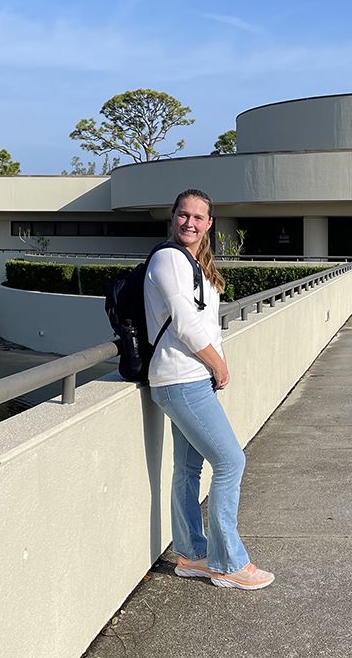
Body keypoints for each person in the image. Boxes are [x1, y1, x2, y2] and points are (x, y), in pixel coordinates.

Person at [144, 188, 274, 591]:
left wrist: (212, 366)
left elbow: (205, 323)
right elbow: (184, 322)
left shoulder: (195, 263)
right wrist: (219, 365)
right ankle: (228, 561)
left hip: (190, 377)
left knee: (188, 468)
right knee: (231, 462)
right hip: (181, 378)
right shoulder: (168, 258)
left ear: (209, 223)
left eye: (198, 218)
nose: (190, 223)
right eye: (184, 215)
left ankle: (191, 556)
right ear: (173, 217)